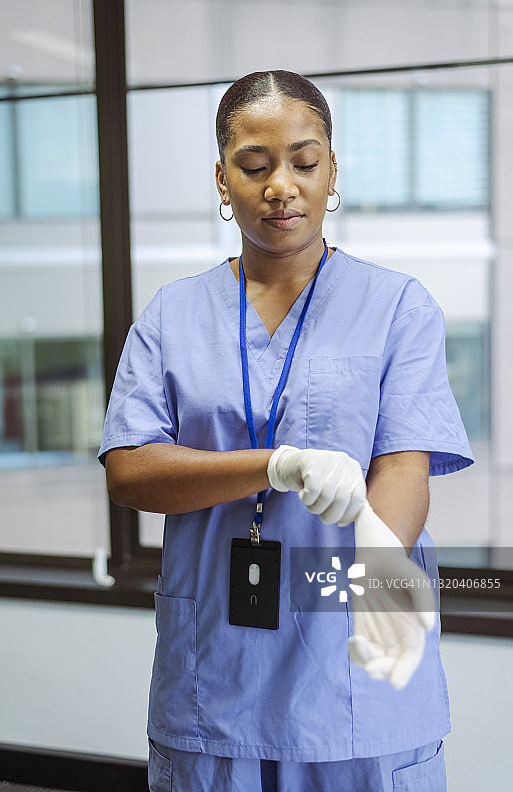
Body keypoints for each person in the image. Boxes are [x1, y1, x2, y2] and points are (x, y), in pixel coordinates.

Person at [98, 70, 474, 792]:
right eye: (254, 164)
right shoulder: (172, 316)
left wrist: (378, 565)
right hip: (216, 671)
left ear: (331, 171)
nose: (281, 185)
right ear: (221, 177)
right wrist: (274, 465)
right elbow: (130, 470)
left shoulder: (397, 306)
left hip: (352, 662)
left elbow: (402, 465)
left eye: (303, 162)